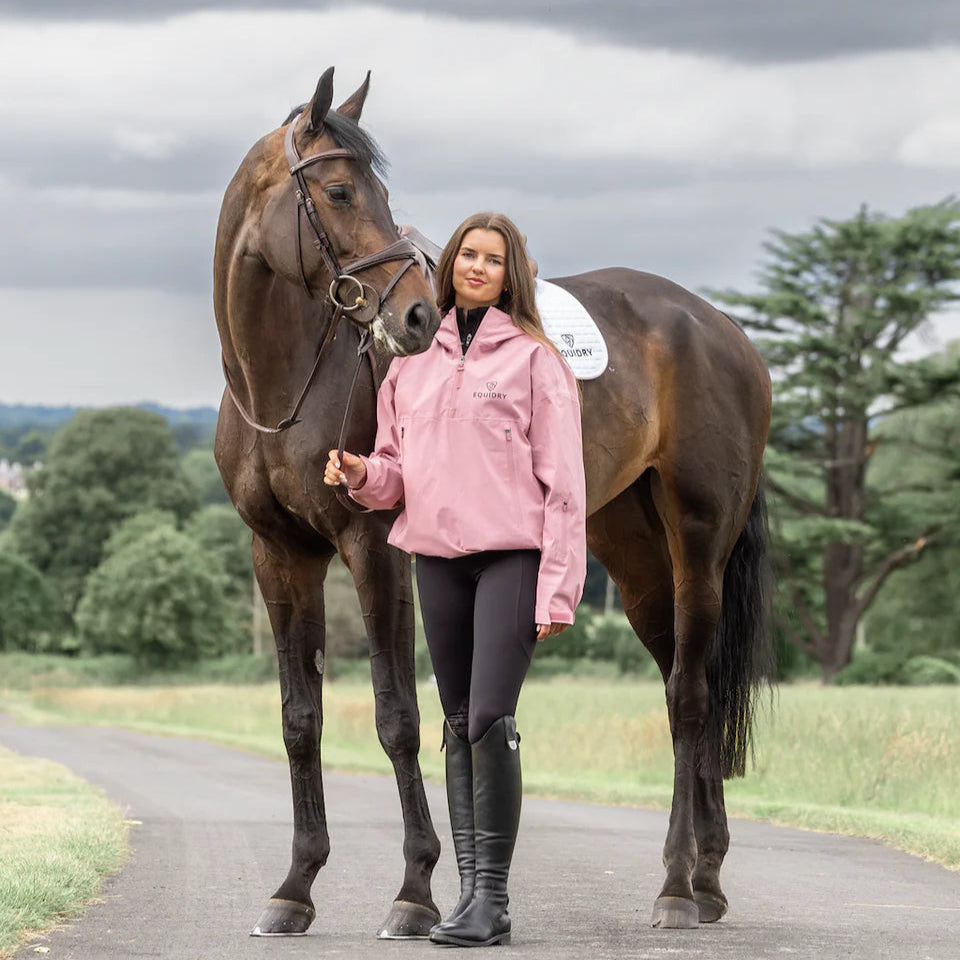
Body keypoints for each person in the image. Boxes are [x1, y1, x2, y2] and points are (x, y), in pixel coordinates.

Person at [324, 212, 586, 947]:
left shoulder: (536, 361)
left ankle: (491, 898)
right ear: (449, 268)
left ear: (511, 276)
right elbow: (395, 474)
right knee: (455, 723)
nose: (476, 266)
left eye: (493, 259)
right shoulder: (408, 365)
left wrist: (558, 587)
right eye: (468, 254)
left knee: (489, 721)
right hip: (436, 561)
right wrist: (359, 474)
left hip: (512, 557)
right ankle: (472, 900)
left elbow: (565, 483)